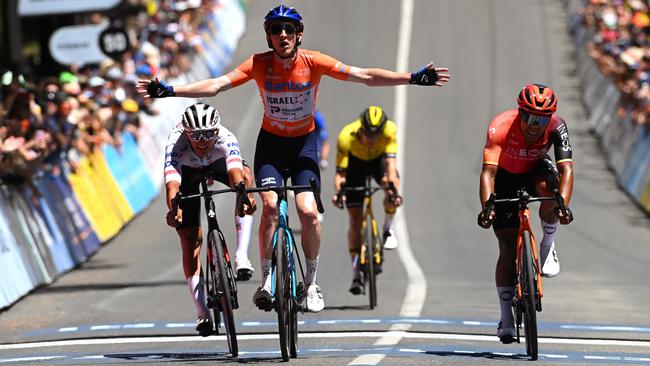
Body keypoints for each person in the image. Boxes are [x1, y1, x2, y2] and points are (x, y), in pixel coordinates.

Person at [138, 4, 450, 313]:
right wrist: (170, 90)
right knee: (271, 206)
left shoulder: (314, 62)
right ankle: (267, 280)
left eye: (289, 29)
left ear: (299, 34)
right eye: (276, 30)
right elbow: (217, 84)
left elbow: (365, 76)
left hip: (304, 145)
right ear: (269, 37)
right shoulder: (259, 64)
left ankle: (311, 283)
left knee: (308, 212)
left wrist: (412, 77)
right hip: (271, 146)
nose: (283, 35)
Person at [477, 84, 574, 344]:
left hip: (536, 169)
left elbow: (566, 170)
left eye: (542, 119)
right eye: (530, 117)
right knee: (507, 247)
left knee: (548, 191)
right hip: (505, 177)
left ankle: (548, 244)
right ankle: (506, 320)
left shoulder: (557, 126)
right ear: (520, 113)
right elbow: (488, 173)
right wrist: (487, 207)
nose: (536, 124)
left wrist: (562, 204)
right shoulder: (500, 126)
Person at [164, 102, 256, 336]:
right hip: (187, 173)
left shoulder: (225, 137)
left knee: (245, 180)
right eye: (196, 135)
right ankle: (202, 311)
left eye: (208, 134)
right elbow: (173, 184)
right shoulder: (175, 143)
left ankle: (241, 256)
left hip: (217, 164)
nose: (203, 140)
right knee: (189, 239)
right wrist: (174, 209)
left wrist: (242, 193)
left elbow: (235, 173)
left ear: (216, 130)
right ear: (186, 133)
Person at [332, 106, 403, 295]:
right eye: (369, 134)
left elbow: (391, 166)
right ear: (361, 129)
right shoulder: (346, 136)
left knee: (391, 187)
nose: (372, 139)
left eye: (376, 134)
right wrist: (339, 193)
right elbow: (340, 175)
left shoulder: (389, 130)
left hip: (379, 162)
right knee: (355, 219)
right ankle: (356, 274)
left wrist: (393, 190)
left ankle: (388, 228)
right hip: (355, 166)